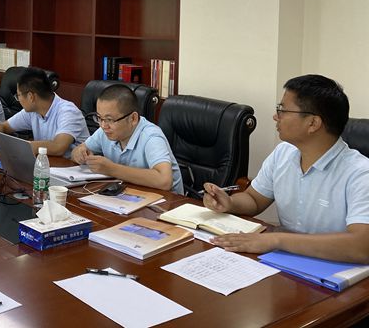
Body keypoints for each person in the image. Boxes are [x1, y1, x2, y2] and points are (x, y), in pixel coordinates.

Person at [203, 74, 369, 263]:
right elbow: (254, 199)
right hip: (285, 260)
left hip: (334, 268)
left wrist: (277, 240)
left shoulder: (360, 173)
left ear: (313, 123)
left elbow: (362, 246)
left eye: (282, 110)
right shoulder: (283, 153)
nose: (276, 116)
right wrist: (230, 203)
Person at [71, 84, 183, 194]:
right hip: (127, 194)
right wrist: (80, 154)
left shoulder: (151, 136)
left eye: (110, 119)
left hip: (166, 201)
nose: (103, 125)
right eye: (99, 118)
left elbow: (164, 181)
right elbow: (78, 150)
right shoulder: (105, 131)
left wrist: (111, 169)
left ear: (133, 118)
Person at [0, 67, 88, 156]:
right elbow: (3, 126)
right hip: (47, 165)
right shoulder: (32, 111)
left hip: (73, 172)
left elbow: (58, 147)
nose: (18, 99)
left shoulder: (68, 112)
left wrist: (9, 145)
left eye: (18, 95)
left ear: (31, 97)